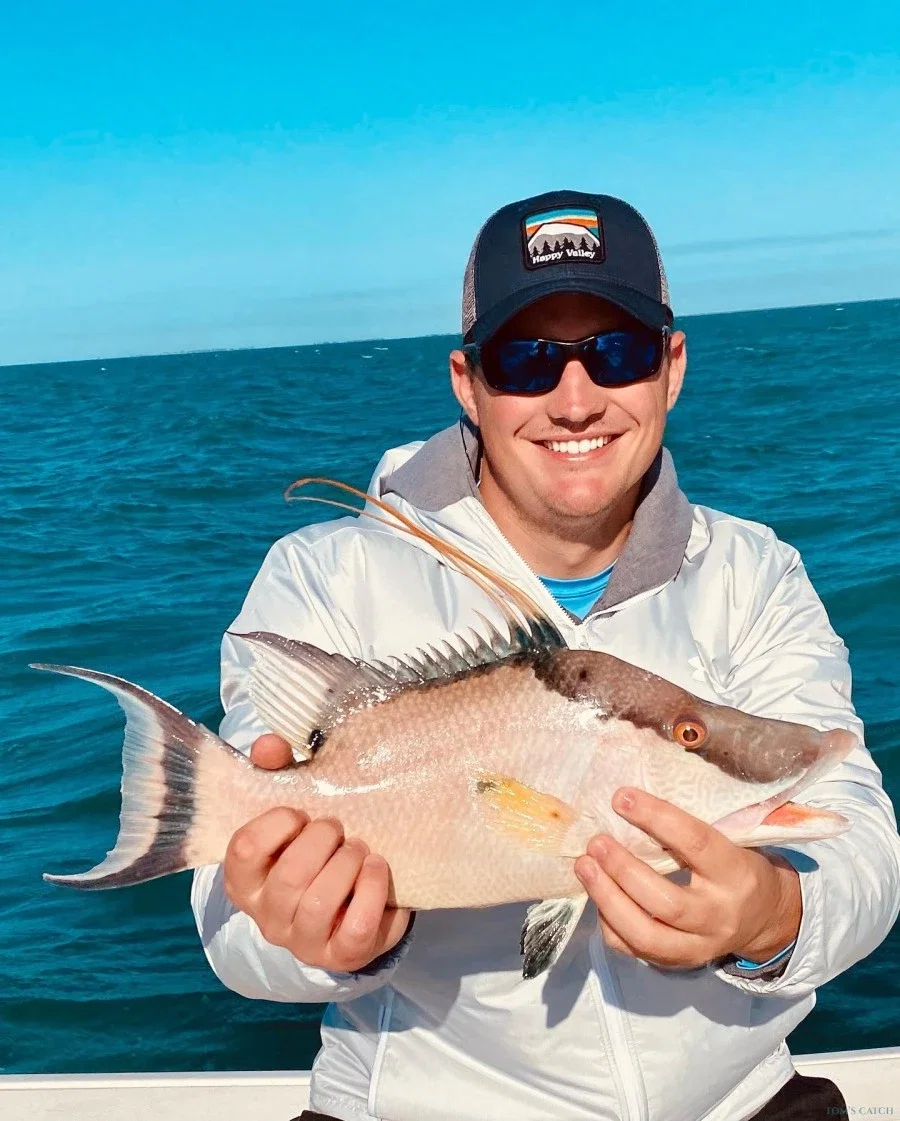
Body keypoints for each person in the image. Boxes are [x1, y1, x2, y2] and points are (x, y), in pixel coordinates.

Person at [191, 190, 900, 1121]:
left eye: (618, 352)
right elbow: (230, 923)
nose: (575, 400)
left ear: (671, 368)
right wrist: (321, 938)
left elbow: (859, 839)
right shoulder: (327, 577)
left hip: (739, 1101)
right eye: (526, 359)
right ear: (467, 382)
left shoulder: (754, 573)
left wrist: (774, 915)